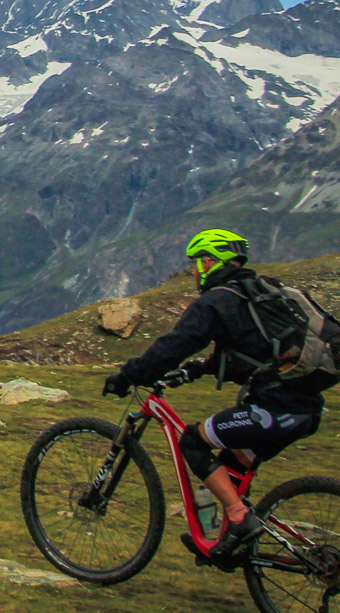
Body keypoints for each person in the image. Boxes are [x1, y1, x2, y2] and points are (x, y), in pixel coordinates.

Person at [102, 229, 326, 562]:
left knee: (193, 440)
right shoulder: (260, 295)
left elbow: (173, 346)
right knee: (230, 463)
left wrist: (128, 376)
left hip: (272, 409)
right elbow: (256, 353)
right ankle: (226, 541)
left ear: (209, 262)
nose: (193, 271)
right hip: (305, 409)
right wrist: (199, 369)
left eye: (195, 263)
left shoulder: (216, 301)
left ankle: (237, 517)